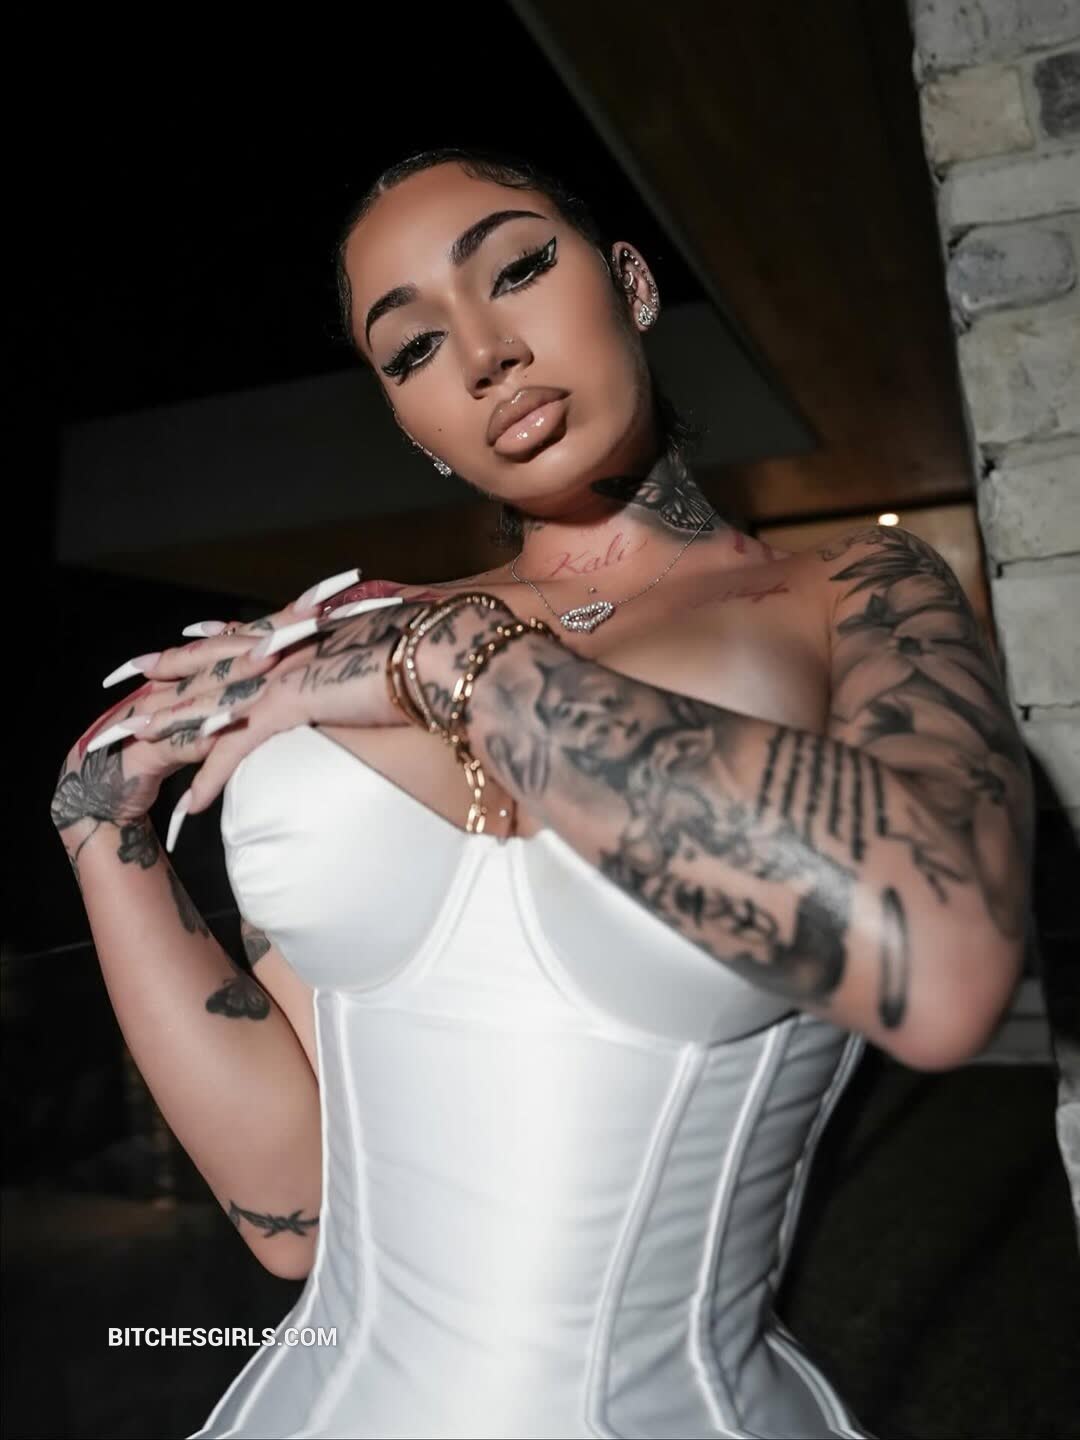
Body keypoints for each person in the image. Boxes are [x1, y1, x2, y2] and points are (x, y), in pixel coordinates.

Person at [52, 146, 1034, 1439]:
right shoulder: (342, 649)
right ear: (411, 424)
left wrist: (461, 661)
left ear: (632, 283)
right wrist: (102, 831)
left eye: (517, 270)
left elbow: (943, 961)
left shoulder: (851, 594)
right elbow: (293, 1205)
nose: (483, 354)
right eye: (412, 349)